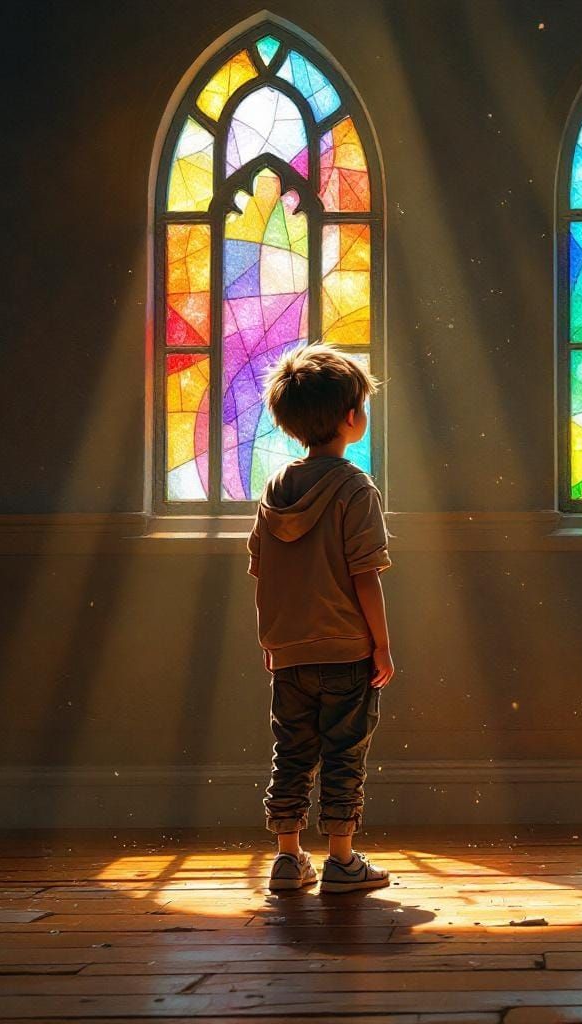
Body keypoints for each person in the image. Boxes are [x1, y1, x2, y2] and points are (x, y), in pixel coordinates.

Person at [247, 343, 394, 893]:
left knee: (292, 751)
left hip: (290, 650)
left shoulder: (277, 488)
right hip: (346, 651)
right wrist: (381, 645)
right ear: (351, 416)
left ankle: (287, 859)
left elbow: (265, 570)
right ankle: (341, 860)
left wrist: (273, 638)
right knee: (343, 753)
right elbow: (365, 577)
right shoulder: (355, 489)